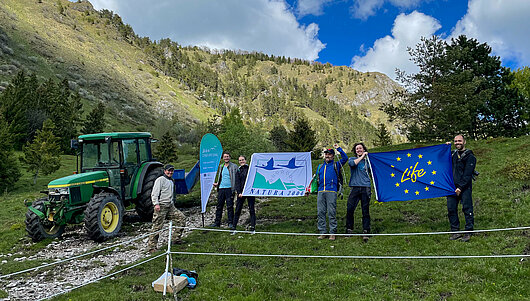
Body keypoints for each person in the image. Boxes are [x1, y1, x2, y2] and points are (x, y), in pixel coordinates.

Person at [147, 164, 186, 253]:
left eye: (172, 171)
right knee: (157, 227)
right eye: (168, 171)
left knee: (181, 218)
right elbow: (154, 193)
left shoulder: (171, 181)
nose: (170, 172)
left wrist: (172, 204)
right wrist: (156, 204)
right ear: (165, 171)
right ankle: (151, 247)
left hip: (170, 206)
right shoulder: (160, 180)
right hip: (161, 206)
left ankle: (176, 239)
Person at [313, 144, 348, 241]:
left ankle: (332, 232)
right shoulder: (320, 166)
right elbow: (316, 179)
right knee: (320, 212)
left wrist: (339, 149)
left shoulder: (336, 165)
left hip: (331, 191)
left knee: (331, 212)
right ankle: (323, 232)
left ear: (333, 156)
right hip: (321, 191)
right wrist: (310, 190)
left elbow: (345, 158)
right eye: (326, 154)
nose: (327, 156)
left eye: (329, 154)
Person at [447, 135, 476, 242]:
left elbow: (467, 174)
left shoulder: (470, 157)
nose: (457, 143)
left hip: (465, 187)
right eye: (455, 141)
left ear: (464, 142)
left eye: (459, 141)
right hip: (451, 187)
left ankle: (468, 231)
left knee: (467, 208)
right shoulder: (452, 154)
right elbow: (441, 158)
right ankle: (455, 231)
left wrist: (460, 187)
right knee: (451, 209)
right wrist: (445, 148)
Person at [346, 142, 372, 242]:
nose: (359, 150)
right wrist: (363, 156)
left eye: (360, 148)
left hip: (365, 187)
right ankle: (349, 229)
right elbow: (353, 164)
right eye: (357, 149)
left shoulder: (367, 162)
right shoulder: (352, 159)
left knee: (365, 210)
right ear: (355, 151)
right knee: (350, 208)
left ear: (364, 149)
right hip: (355, 187)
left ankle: (366, 231)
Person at [210, 151, 238, 229]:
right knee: (219, 206)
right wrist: (217, 184)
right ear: (223, 158)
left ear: (230, 157)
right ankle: (217, 222)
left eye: (227, 156)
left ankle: (230, 223)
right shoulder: (221, 166)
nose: (226, 158)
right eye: (225, 156)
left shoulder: (234, 166)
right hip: (221, 188)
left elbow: (237, 178)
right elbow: (220, 177)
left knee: (230, 206)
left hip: (230, 189)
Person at [233, 155, 256, 231]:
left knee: (251, 209)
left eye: (242, 160)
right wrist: (239, 192)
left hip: (250, 192)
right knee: (238, 209)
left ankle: (253, 226)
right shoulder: (238, 170)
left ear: (245, 160)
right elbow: (237, 182)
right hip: (241, 193)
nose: (241, 161)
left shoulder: (250, 169)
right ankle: (234, 226)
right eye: (240, 160)